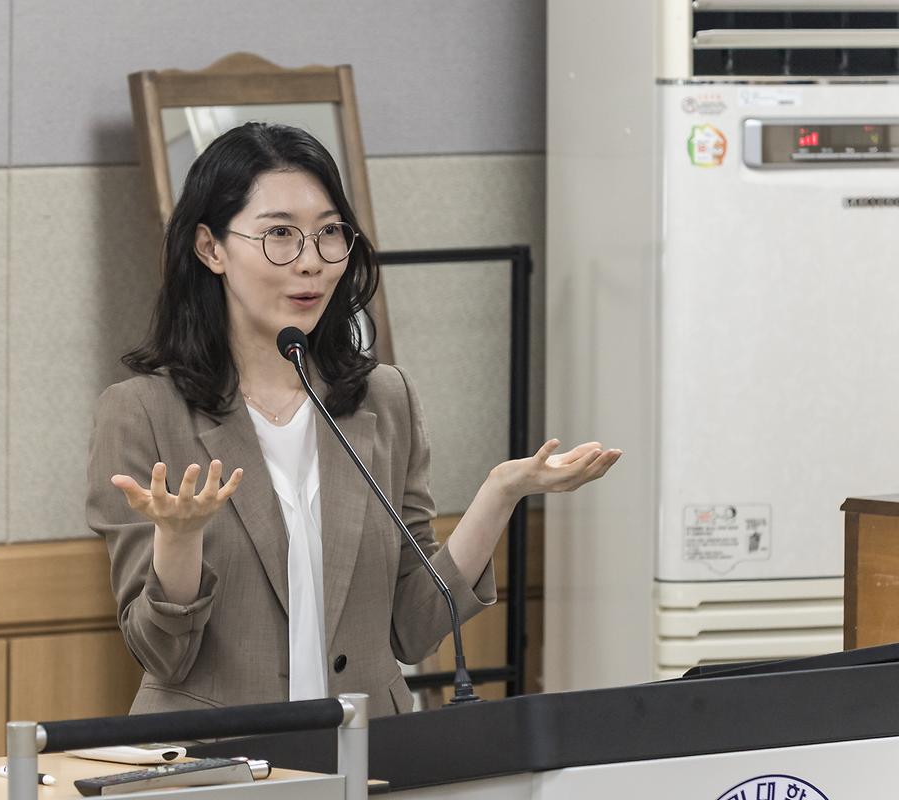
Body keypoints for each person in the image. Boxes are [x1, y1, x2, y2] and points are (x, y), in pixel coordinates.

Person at [86, 122, 620, 719]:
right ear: (211, 248)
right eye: (280, 235)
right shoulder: (141, 412)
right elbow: (161, 653)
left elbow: (415, 627)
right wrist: (179, 541)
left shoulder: (385, 399)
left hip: (366, 748)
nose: (311, 262)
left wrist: (501, 493)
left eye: (329, 233)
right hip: (218, 753)